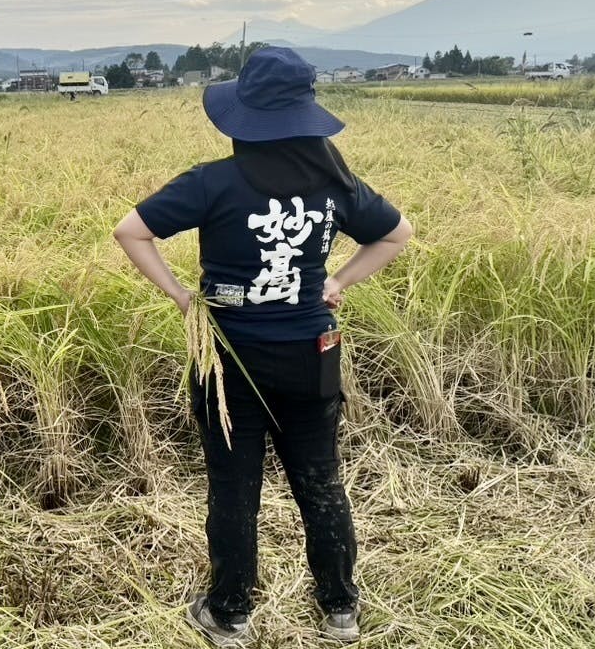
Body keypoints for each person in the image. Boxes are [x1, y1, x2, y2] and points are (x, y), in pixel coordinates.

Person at [112, 47, 412, 646]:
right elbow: (397, 233)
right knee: (320, 479)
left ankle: (229, 613)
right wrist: (337, 282)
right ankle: (340, 609)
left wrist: (183, 297)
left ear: (244, 118)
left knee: (234, 486)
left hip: (229, 358)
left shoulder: (212, 181)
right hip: (312, 353)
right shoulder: (336, 185)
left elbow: (131, 231)